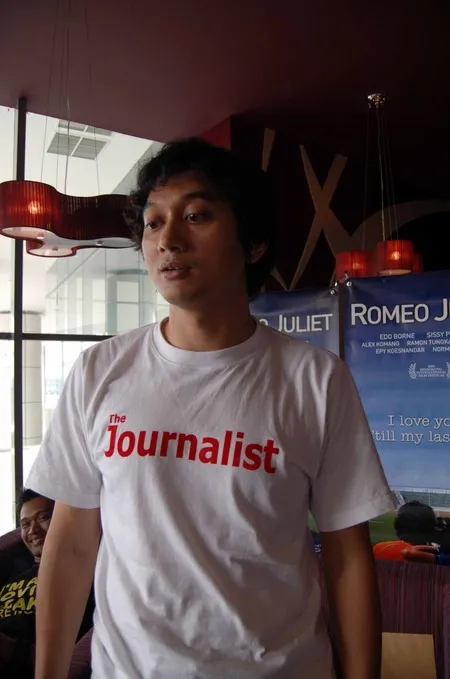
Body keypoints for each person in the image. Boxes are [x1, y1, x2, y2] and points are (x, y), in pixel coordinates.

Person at [27, 138, 395, 679]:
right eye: (153, 223)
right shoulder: (98, 372)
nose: (168, 239)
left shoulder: (316, 380)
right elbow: (74, 546)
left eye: (196, 215)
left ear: (254, 243)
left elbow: (347, 558)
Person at [0, 490, 93, 677]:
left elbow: (66, 655)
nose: (32, 530)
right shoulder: (12, 575)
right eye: (25, 524)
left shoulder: (81, 575)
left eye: (43, 518)